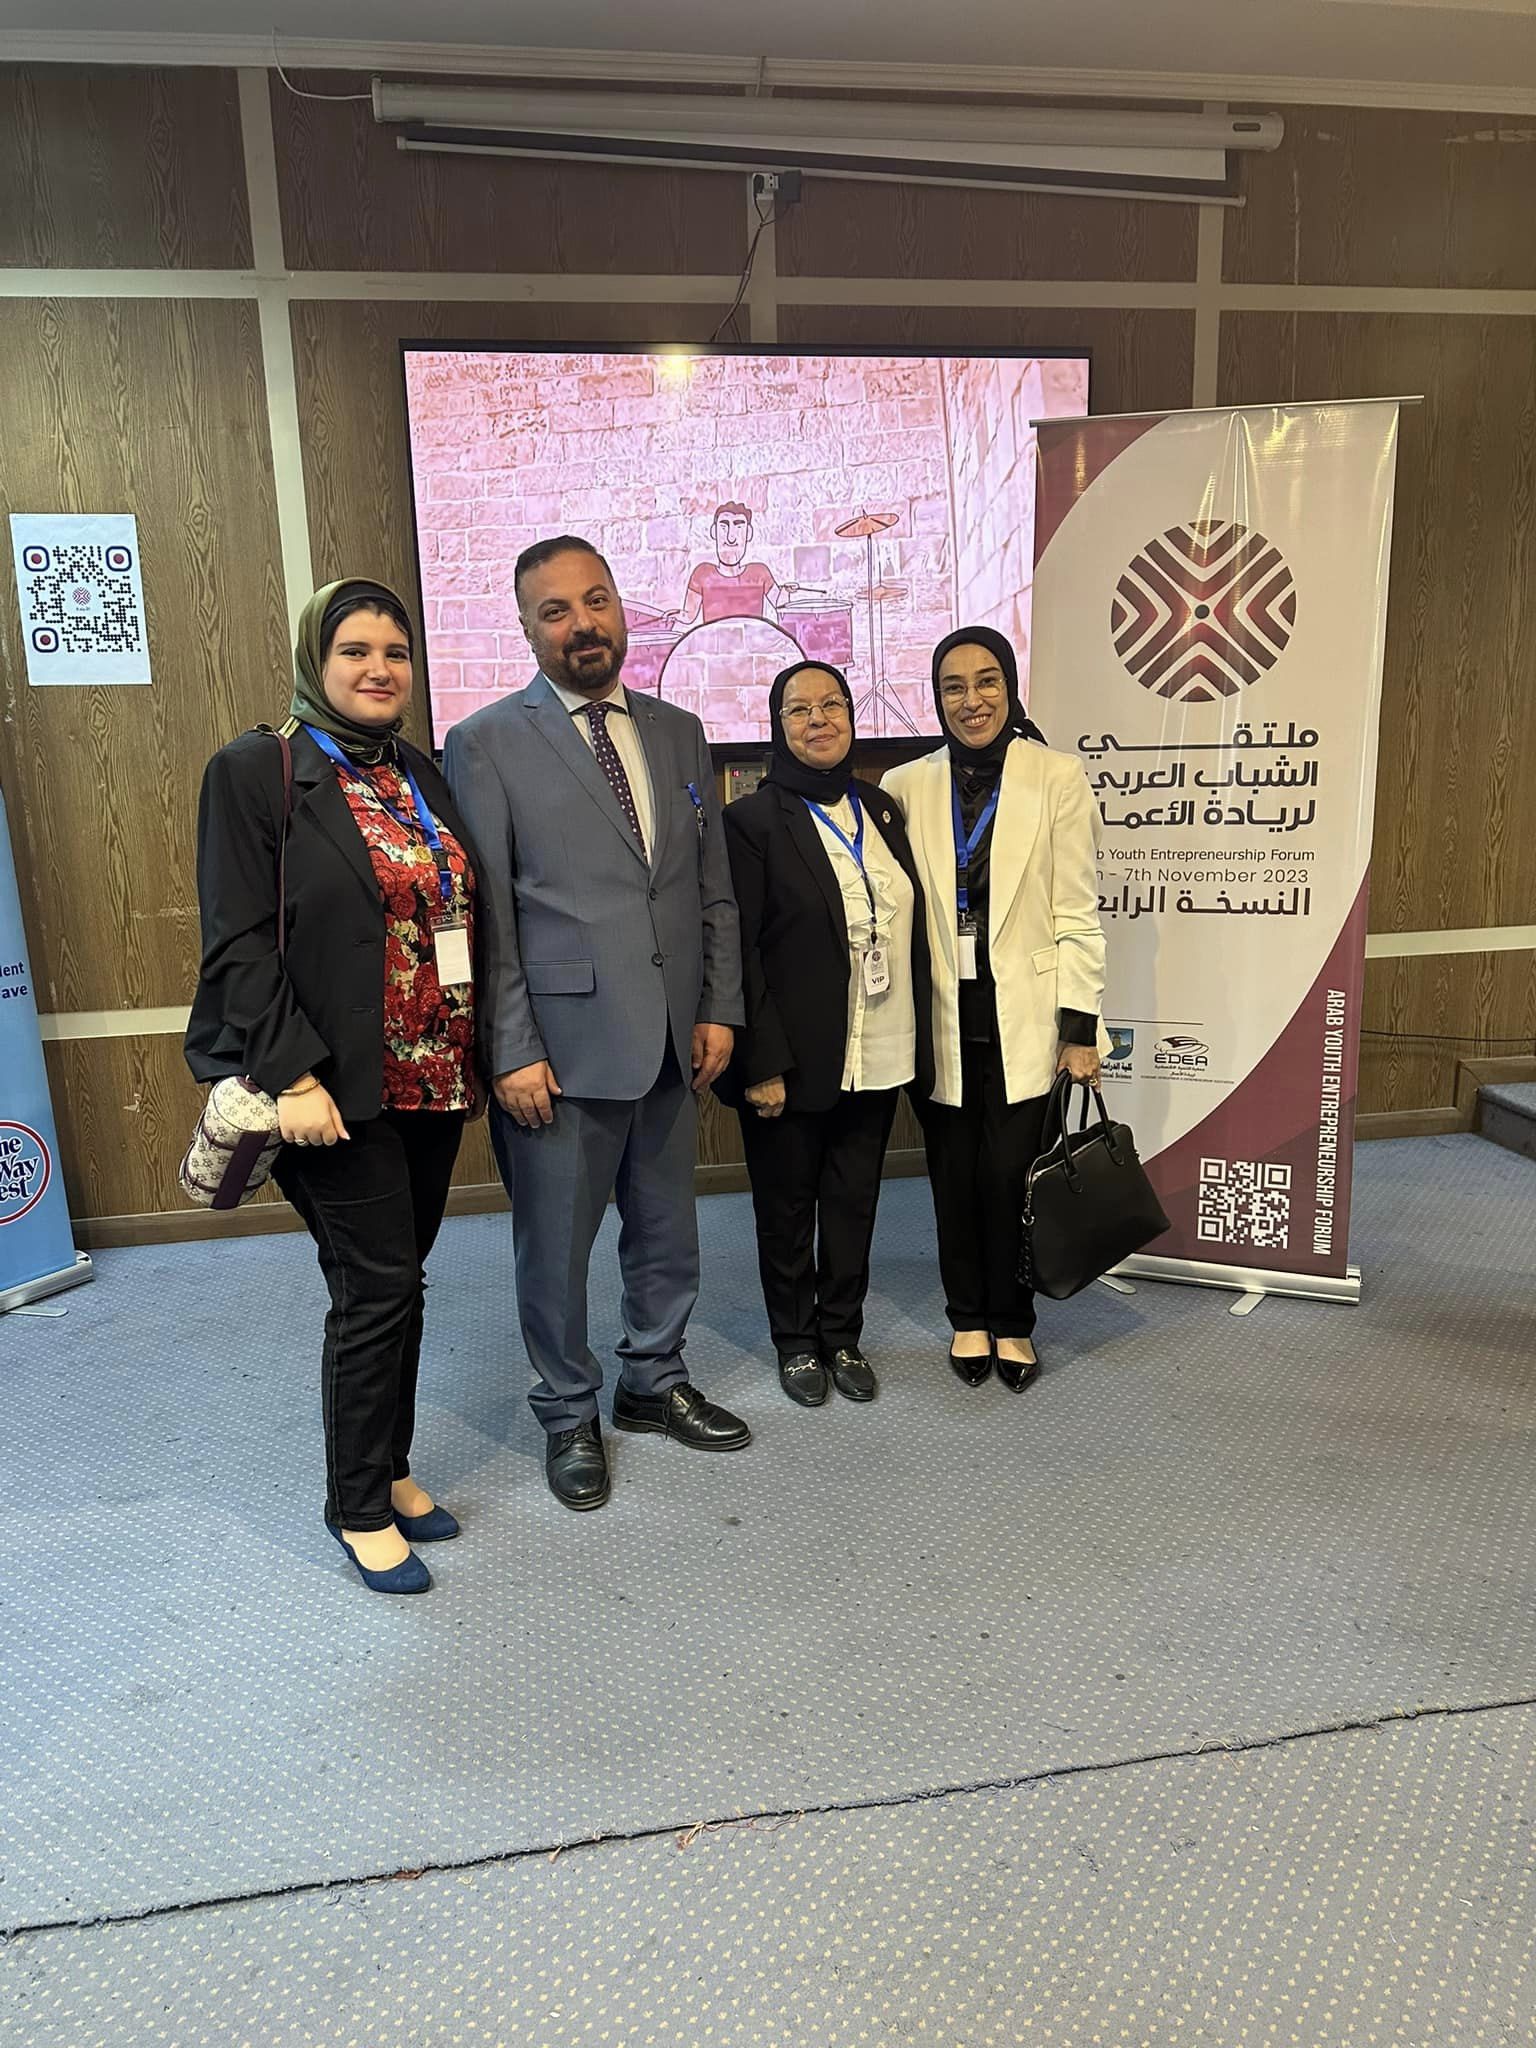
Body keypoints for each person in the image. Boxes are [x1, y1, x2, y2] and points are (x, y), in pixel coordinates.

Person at [442, 536, 749, 1512]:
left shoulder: (679, 731)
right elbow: (486, 912)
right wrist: (510, 1047)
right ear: (527, 628)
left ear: (621, 606)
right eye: (556, 610)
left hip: (671, 1037)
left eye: (596, 600)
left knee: (667, 1232)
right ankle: (567, 1409)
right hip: (559, 1052)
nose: (582, 624)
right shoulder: (485, 742)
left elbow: (709, 887)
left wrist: (718, 1005)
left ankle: (652, 1380)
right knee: (556, 1248)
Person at [186, 580, 480, 1595]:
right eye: (355, 650)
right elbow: (236, 939)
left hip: (431, 1073)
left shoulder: (418, 772)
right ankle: (357, 1505)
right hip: (331, 1086)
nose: (378, 669)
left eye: (396, 652)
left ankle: (390, 1467)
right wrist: (295, 1072)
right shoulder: (257, 769)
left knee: (402, 1281)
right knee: (375, 1287)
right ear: (318, 658)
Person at [883, 625, 1108, 1392]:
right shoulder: (906, 785)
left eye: (987, 681)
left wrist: (1080, 1029)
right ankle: (967, 1314)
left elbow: (1077, 911)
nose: (971, 700)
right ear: (936, 697)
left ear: (1010, 688)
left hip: (1028, 1016)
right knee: (952, 1176)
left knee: (1013, 1176)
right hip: (940, 1018)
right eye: (953, 686)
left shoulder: (1056, 776)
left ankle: (1013, 1320)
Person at [716, 662, 931, 1407]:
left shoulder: (881, 809)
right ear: (778, 726)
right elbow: (740, 950)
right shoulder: (751, 822)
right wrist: (759, 1061)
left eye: (833, 704)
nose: (819, 719)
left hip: (880, 1043)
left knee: (853, 1201)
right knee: (786, 1209)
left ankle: (842, 1333)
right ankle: (796, 1341)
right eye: (800, 709)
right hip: (793, 1056)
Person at [672, 503, 802, 627]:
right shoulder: (702, 574)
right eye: (724, 527)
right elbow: (688, 616)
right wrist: (670, 617)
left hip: (752, 641)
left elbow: (780, 607)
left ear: (749, 533)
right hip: (716, 641)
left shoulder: (759, 573)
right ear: (713, 531)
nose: (731, 537)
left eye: (739, 527)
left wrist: (785, 591)